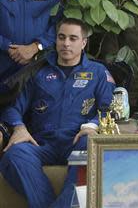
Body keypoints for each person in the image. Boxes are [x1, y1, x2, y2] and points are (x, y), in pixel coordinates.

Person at [0, 18, 115, 208]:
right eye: (61, 37)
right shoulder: (37, 71)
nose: (66, 43)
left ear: (83, 42)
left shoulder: (98, 72)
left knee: (93, 148)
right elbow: (13, 107)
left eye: (72, 38)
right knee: (14, 154)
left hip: (77, 141)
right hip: (42, 143)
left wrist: (92, 126)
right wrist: (19, 128)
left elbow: (109, 109)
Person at [0, 0, 59, 93]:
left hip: (40, 70)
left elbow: (58, 26)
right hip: (3, 71)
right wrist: (8, 47)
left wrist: (36, 47)